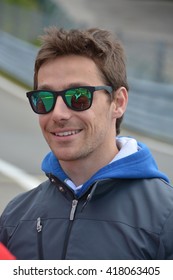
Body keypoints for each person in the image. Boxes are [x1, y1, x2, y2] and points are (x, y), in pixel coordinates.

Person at [0, 27, 173, 260]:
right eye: (45, 99)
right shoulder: (14, 217)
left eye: (78, 97)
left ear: (118, 102)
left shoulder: (166, 217)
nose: (58, 114)